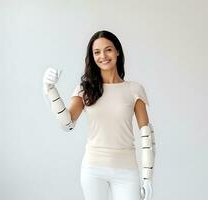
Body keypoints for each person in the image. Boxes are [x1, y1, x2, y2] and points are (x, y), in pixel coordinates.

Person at [43, 30, 155, 200]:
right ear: (92, 57)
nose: (103, 56)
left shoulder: (134, 90)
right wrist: (50, 90)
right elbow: (67, 124)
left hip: (126, 170)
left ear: (118, 51)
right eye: (97, 52)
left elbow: (146, 135)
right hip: (93, 170)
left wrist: (147, 178)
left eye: (108, 49)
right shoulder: (85, 89)